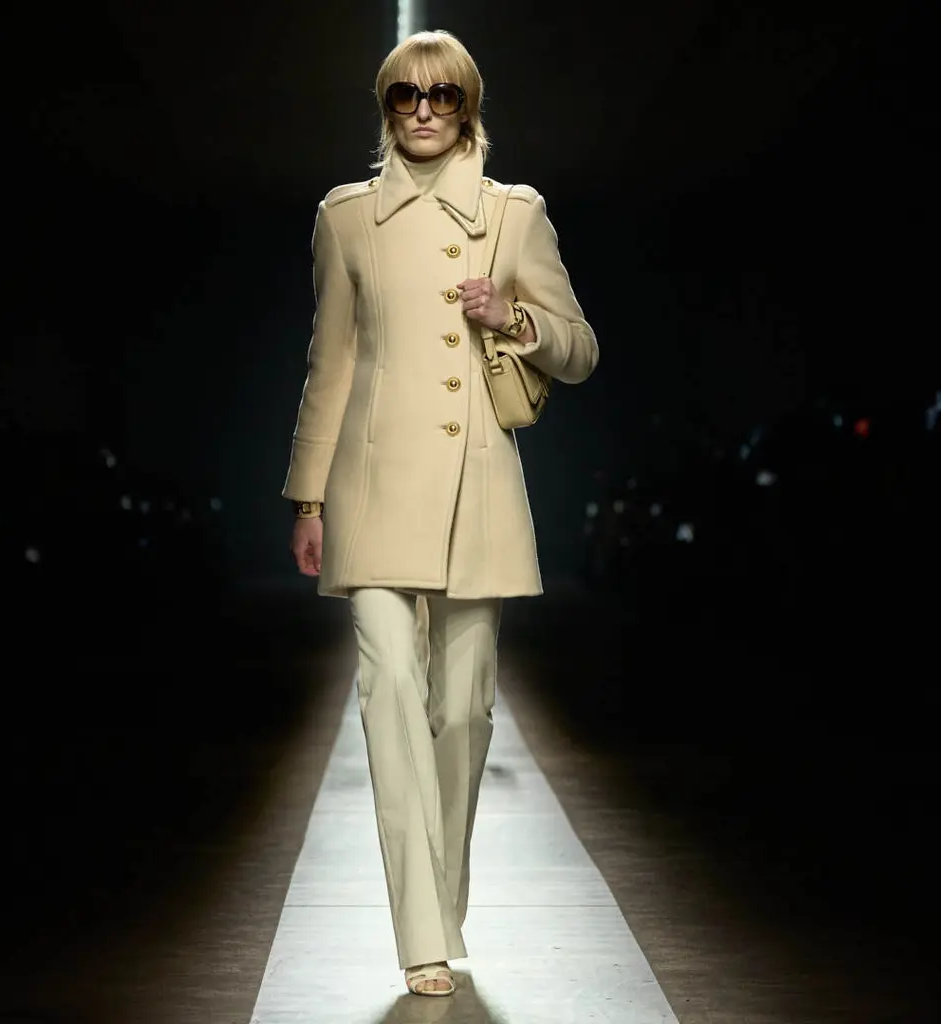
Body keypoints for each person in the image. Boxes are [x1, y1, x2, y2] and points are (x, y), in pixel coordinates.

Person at [283, 29, 598, 997]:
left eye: (443, 95)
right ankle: (420, 932)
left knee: (461, 710)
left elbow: (581, 350)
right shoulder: (346, 218)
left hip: (475, 487)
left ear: (469, 108)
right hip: (371, 485)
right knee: (387, 694)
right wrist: (307, 494)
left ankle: (441, 901)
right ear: (385, 108)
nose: (423, 110)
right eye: (404, 95)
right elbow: (330, 361)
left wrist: (514, 319)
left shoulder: (513, 215)